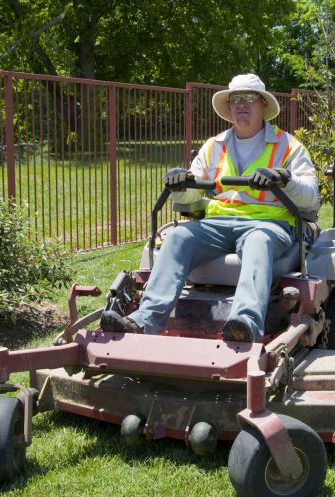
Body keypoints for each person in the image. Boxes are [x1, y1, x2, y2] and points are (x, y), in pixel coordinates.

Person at [100, 73, 320, 342]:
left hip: (268, 224)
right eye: (235, 99)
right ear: (229, 106)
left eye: (249, 97)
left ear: (263, 103)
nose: (241, 103)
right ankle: (143, 321)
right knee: (178, 237)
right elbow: (190, 196)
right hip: (217, 223)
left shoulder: (289, 146)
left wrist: (285, 179)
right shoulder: (213, 146)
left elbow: (311, 197)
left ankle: (245, 323)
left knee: (258, 241)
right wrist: (180, 184)